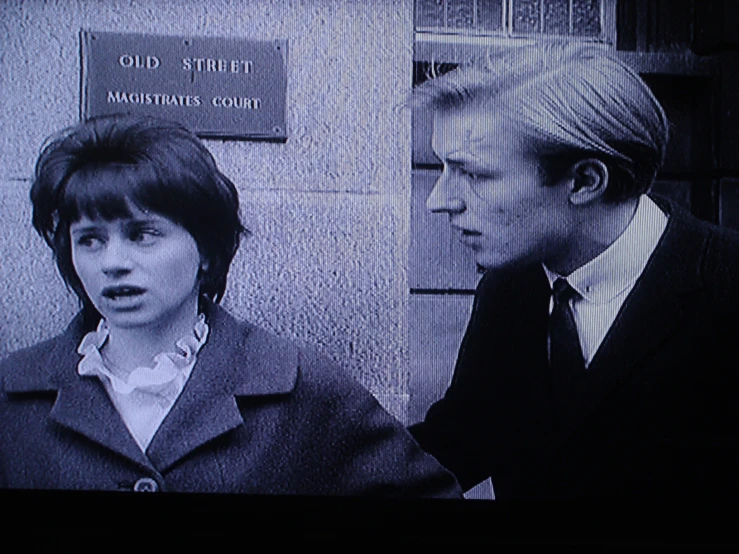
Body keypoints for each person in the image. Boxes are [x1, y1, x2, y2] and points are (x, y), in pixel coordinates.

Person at [0, 114, 462, 497]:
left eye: (142, 234)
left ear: (205, 250)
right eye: (91, 240)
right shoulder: (12, 392)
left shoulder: (299, 384)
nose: (113, 263)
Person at [409, 44, 739, 501]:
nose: (439, 199)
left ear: (585, 181)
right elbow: (459, 441)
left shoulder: (726, 289)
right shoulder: (510, 286)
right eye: (444, 167)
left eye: (475, 175)